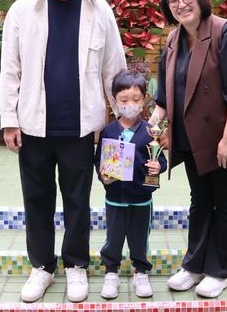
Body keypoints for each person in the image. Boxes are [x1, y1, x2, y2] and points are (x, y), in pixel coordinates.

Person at [0, 0, 127, 303]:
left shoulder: (99, 10)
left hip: (81, 127)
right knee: (37, 199)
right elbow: (10, 69)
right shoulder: (22, 11)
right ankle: (42, 266)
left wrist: (121, 123)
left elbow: (114, 69)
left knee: (77, 201)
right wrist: (9, 119)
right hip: (33, 125)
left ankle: (75, 265)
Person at [148, 0, 227, 298]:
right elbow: (163, 98)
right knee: (200, 200)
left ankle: (221, 271)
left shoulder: (226, 33)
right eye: (174, 0)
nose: (181, 4)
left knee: (225, 202)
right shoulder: (173, 42)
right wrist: (150, 128)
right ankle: (194, 265)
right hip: (193, 138)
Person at [94, 70, 168, 300]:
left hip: (141, 198)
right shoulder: (108, 131)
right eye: (124, 100)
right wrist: (103, 177)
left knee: (139, 238)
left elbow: (161, 159)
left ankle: (141, 272)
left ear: (144, 99)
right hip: (115, 198)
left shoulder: (150, 132)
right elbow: (99, 162)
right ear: (115, 100)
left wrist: (159, 167)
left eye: (136, 99)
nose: (130, 105)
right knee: (113, 237)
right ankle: (111, 272)